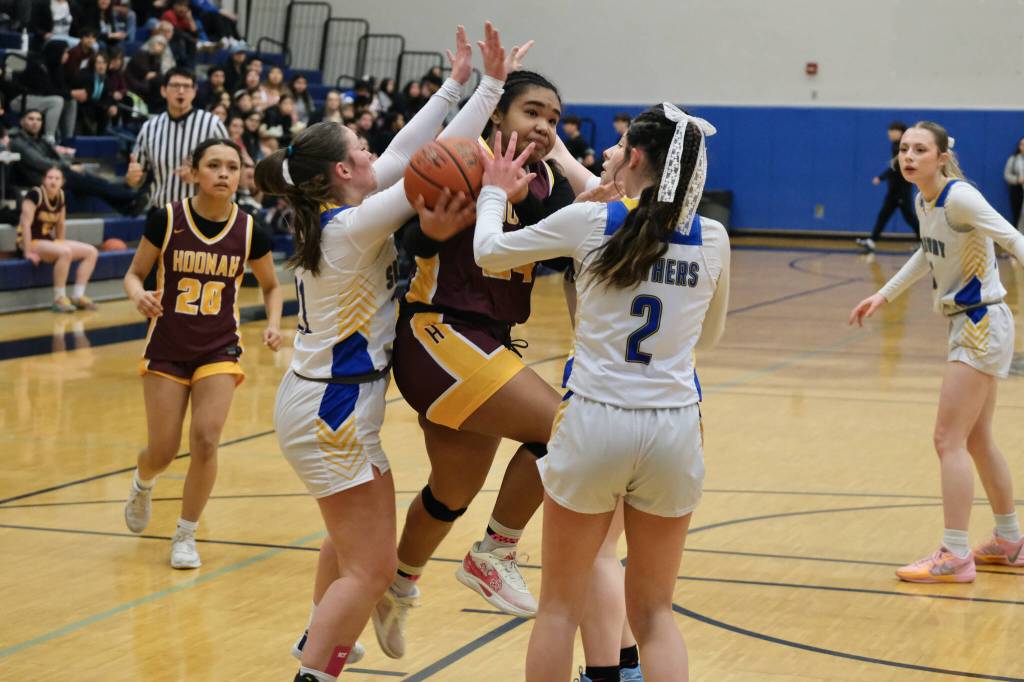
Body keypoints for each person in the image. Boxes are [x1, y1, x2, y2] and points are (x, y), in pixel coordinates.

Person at [258, 23, 506, 682]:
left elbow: (410, 148)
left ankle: (321, 631)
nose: (375, 152)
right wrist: (486, 90)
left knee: (351, 546)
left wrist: (469, 86)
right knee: (370, 571)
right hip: (332, 410)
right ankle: (317, 668)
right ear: (343, 169)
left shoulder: (341, 211)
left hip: (323, 402)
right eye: (362, 148)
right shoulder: (352, 226)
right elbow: (433, 161)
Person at [476, 103, 728, 681]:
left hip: (594, 422)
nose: (608, 155)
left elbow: (488, 252)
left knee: (559, 608)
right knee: (657, 614)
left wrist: (494, 192)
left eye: (615, 149)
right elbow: (708, 336)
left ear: (635, 158)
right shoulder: (712, 236)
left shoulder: (589, 222)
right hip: (674, 426)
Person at [380, 57, 577, 654]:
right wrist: (437, 229)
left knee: (451, 490)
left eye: (554, 118)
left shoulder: (549, 185)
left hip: (489, 340)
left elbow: (570, 249)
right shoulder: (461, 157)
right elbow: (412, 235)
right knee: (570, 427)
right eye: (532, 111)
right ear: (498, 114)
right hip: (437, 332)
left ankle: (397, 585)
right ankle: (497, 550)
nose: (544, 125)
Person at [850, 121, 1024, 583]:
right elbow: (926, 253)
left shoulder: (960, 197)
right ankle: (1009, 542)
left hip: (980, 323)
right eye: (904, 149)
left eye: (920, 149)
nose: (908, 156)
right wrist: (884, 294)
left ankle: (955, 552)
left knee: (948, 439)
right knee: (976, 439)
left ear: (942, 157)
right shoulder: (922, 198)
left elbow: (1014, 240)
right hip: (971, 323)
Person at [122, 137, 282, 569]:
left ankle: (185, 535)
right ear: (194, 172)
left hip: (218, 346)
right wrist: (138, 295)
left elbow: (271, 286)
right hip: (168, 346)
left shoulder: (251, 229)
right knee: (163, 450)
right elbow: (134, 274)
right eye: (214, 165)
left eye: (232, 166)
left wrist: (271, 323)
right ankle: (143, 481)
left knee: (206, 440)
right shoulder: (166, 219)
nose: (224, 174)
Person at [127, 67, 229, 215]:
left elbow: (231, 171)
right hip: (161, 212)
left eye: (187, 86)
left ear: (194, 91)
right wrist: (132, 178)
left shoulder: (212, 124)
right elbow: (138, 178)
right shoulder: (149, 127)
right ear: (163, 91)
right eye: (175, 86)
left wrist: (200, 176)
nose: (181, 91)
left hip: (201, 214)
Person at [9, 109, 141, 214]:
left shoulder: (42, 140)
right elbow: (39, 162)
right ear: (22, 122)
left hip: (56, 173)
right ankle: (130, 196)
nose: (35, 122)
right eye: (31, 119)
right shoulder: (17, 141)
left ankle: (126, 207)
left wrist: (69, 165)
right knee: (90, 182)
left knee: (93, 181)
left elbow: (58, 157)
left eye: (38, 119)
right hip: (40, 178)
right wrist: (68, 167)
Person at [17, 166, 100, 312]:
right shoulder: (34, 194)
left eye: (57, 178)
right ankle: (59, 298)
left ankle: (78, 296)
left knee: (91, 251)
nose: (53, 181)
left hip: (47, 241)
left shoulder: (61, 196)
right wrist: (27, 252)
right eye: (50, 178)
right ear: (44, 180)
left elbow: (61, 224)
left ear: (62, 182)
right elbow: (25, 224)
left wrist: (60, 243)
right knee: (65, 252)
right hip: (29, 242)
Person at [857, 121, 920, 251]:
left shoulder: (903, 147)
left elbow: (896, 167)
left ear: (899, 132)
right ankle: (871, 241)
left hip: (902, 189)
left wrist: (881, 177)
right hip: (893, 190)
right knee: (883, 215)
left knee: (909, 217)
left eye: (891, 133)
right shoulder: (895, 145)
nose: (889, 135)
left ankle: (925, 242)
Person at [1003, 137, 1024, 229]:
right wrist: (1017, 180)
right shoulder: (1013, 159)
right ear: (1019, 146)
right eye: (1022, 144)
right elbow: (1007, 175)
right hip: (1018, 191)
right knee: (1017, 216)